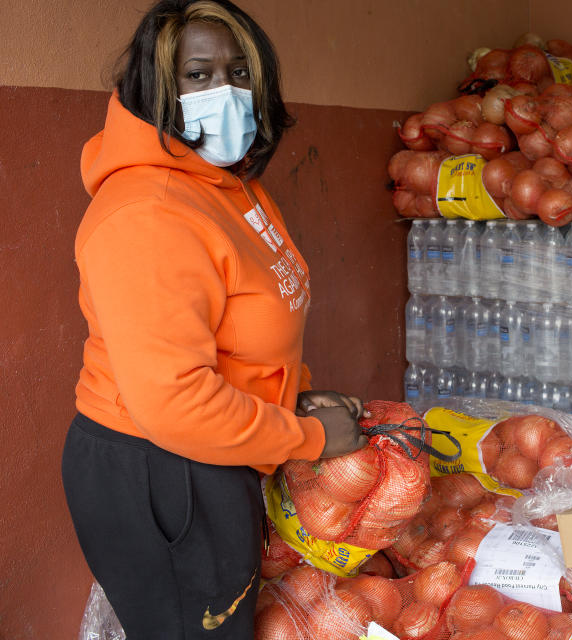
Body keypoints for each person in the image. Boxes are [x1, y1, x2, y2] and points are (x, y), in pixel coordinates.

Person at [61, 2, 367, 638]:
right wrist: (308, 439)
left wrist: (294, 392)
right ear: (157, 89)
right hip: (161, 469)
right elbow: (174, 401)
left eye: (239, 73)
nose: (223, 92)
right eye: (197, 75)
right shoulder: (149, 214)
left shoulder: (228, 186)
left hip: (217, 452)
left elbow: (241, 326)